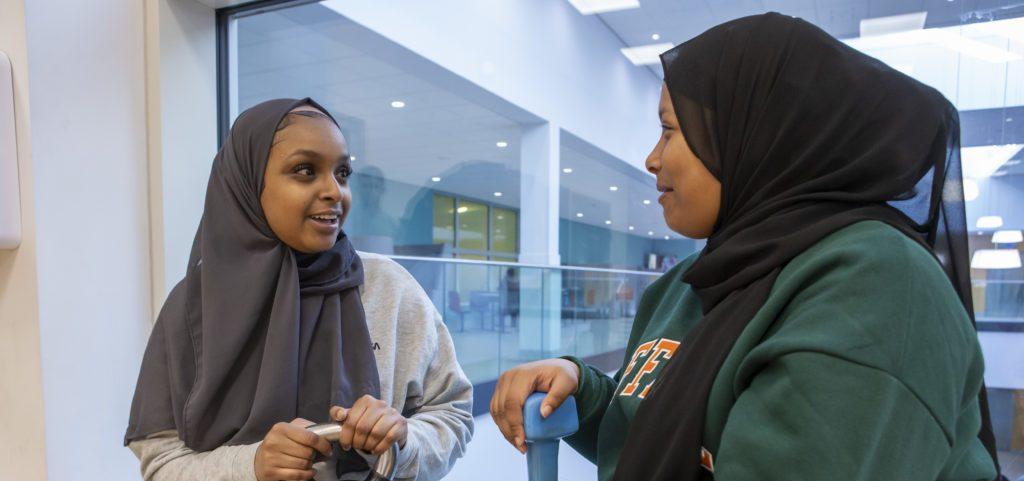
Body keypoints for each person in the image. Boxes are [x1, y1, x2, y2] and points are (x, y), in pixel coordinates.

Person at [490, 13, 1000, 481]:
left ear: (755, 135)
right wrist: (582, 384)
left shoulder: (877, 285)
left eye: (669, 130)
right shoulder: (695, 280)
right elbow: (658, 425)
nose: (652, 158)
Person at [125, 98, 472, 481]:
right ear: (249, 184)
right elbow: (161, 462)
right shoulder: (194, 307)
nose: (333, 191)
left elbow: (451, 414)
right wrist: (252, 466)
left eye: (342, 173)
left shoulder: (389, 288)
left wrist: (404, 442)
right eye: (305, 170)